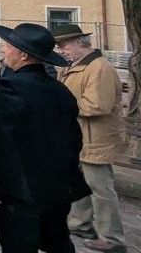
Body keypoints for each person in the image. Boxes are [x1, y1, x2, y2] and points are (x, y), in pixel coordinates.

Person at [0, 23, 89, 253]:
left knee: (18, 245)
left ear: (24, 54)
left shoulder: (9, 88)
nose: (2, 50)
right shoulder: (60, 90)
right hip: (58, 187)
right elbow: (73, 139)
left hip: (19, 188)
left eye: (7, 46)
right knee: (57, 242)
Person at [54, 24, 127, 253]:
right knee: (79, 183)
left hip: (97, 138)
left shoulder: (99, 68)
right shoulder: (74, 66)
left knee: (100, 189)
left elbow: (98, 105)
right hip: (80, 137)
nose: (60, 50)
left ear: (78, 43)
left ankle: (112, 238)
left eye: (63, 45)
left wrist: (63, 107)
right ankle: (80, 224)